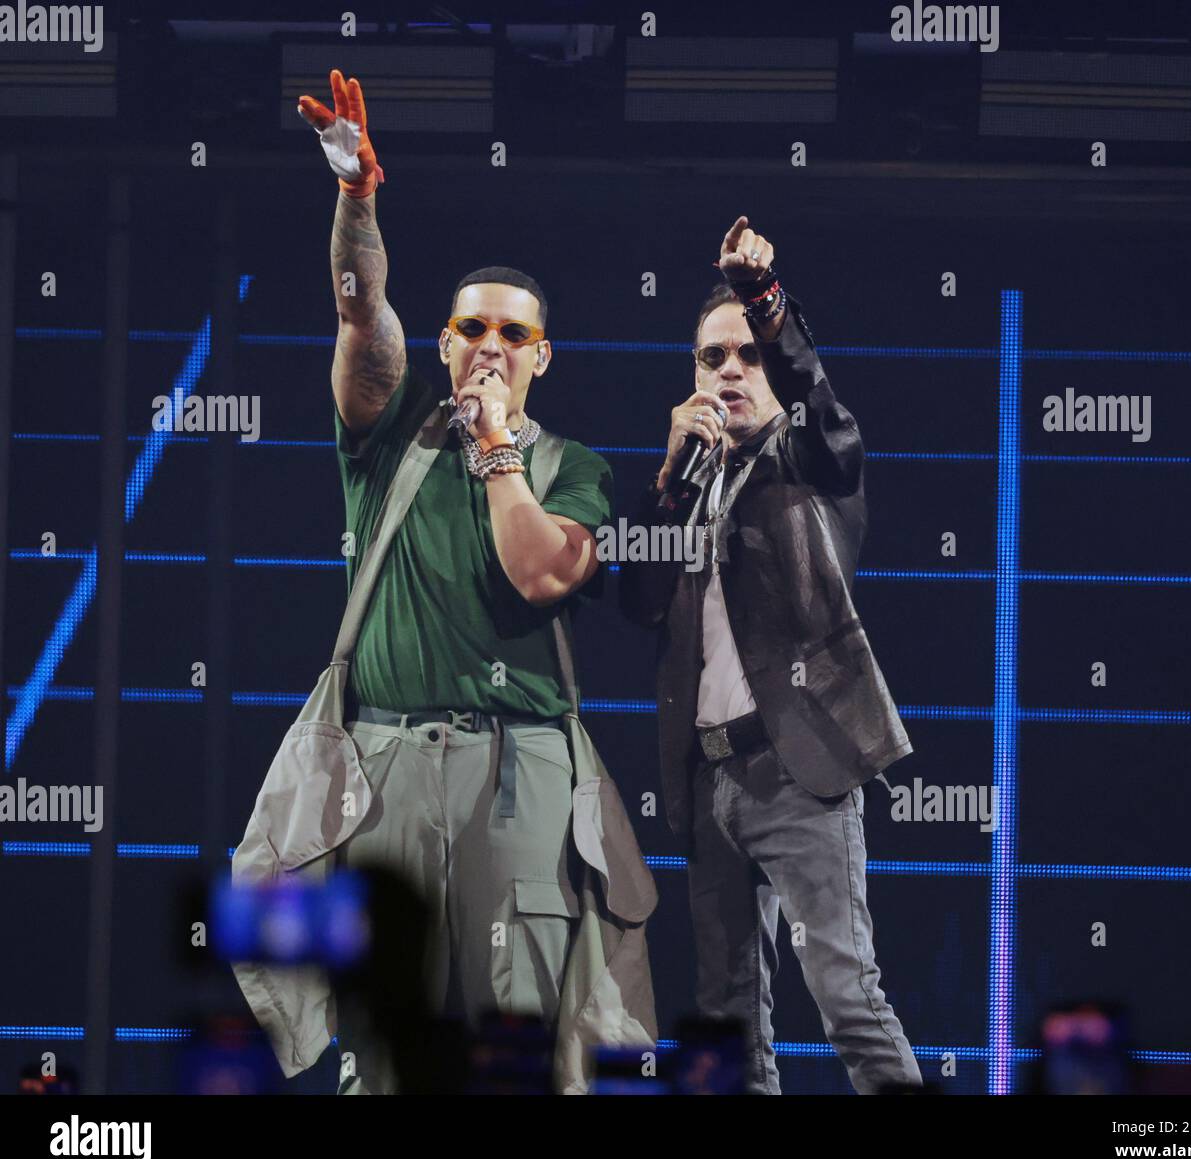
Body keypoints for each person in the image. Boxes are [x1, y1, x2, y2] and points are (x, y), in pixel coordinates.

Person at [294, 70, 629, 1094]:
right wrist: (357, 197)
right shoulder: (389, 430)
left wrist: (494, 453)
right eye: (470, 330)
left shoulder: (573, 467)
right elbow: (361, 314)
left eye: (510, 334)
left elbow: (537, 573)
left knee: (523, 1042)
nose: (487, 346)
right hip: (386, 761)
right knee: (383, 1042)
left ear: (543, 358)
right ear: (442, 344)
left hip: (517, 769)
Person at [619, 216, 922, 1094]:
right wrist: (667, 481)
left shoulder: (808, 461)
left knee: (846, 996)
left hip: (802, 772)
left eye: (747, 355)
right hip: (711, 784)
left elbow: (831, 422)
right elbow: (636, 602)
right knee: (729, 1025)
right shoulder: (692, 481)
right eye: (711, 358)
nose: (728, 372)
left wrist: (767, 301)